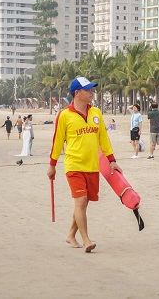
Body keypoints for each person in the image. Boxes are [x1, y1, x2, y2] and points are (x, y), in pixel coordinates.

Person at [47, 77, 122, 253]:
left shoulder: (96, 112)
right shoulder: (64, 115)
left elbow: (103, 138)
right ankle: (86, 240)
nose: (91, 92)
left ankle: (71, 235)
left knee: (83, 203)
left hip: (92, 165)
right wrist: (52, 165)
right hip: (74, 164)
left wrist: (112, 161)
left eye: (91, 89)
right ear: (77, 93)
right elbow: (57, 142)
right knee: (80, 200)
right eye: (87, 90)